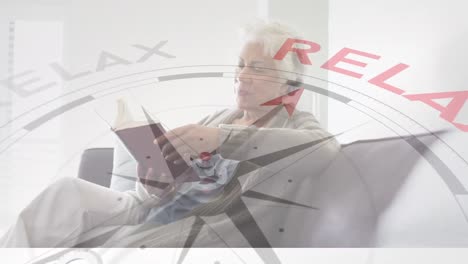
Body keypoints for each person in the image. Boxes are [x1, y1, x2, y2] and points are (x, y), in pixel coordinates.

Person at [0, 20, 340, 248]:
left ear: (289, 84)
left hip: (191, 229)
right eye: (240, 64)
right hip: (154, 208)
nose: (242, 76)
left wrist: (221, 139)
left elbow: (324, 149)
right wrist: (154, 183)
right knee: (66, 192)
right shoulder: (223, 116)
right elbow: (168, 186)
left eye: (258, 68)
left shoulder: (296, 125)